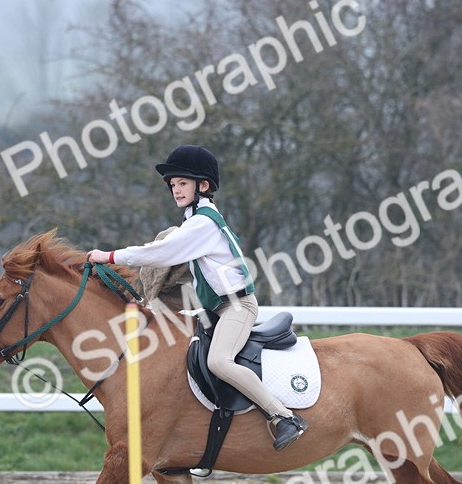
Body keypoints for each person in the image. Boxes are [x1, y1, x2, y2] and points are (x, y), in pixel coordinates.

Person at [86, 145, 309, 451]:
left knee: (219, 361)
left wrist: (109, 256)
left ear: (202, 186)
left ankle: (284, 418)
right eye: (173, 185)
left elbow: (159, 253)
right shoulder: (194, 221)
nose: (176, 190)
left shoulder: (203, 223)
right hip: (215, 306)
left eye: (183, 184)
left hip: (237, 307)